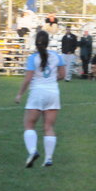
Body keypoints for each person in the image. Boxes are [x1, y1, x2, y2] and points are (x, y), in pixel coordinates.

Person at [15, 30, 65, 167]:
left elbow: (28, 79)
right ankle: (48, 158)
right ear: (48, 42)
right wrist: (50, 80)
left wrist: (19, 94)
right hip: (53, 93)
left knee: (29, 125)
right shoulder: (57, 56)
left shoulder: (33, 58)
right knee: (48, 127)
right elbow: (62, 75)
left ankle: (32, 151)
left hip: (37, 93)